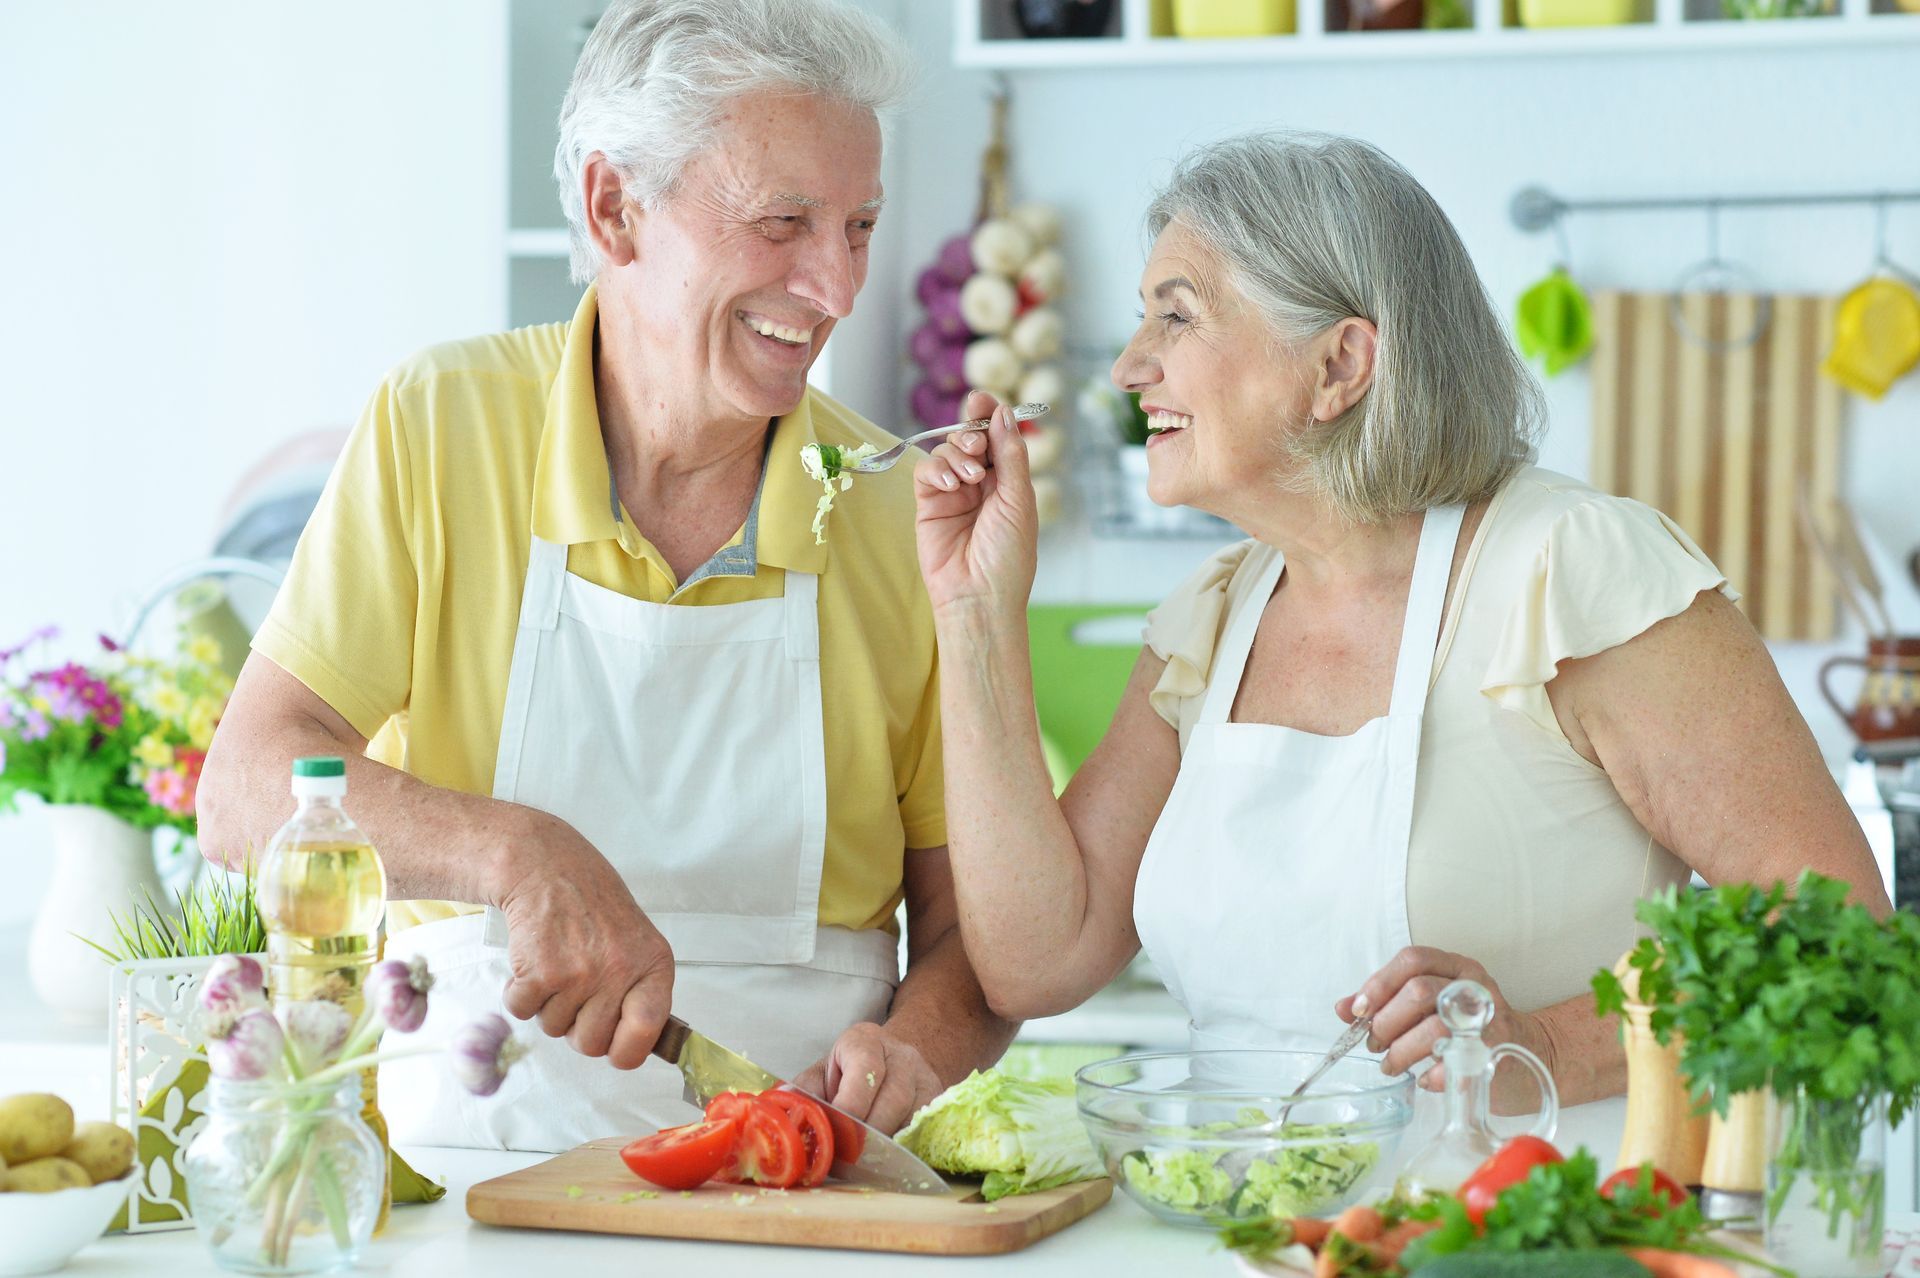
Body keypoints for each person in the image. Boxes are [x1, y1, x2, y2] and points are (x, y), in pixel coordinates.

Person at [913, 132, 1889, 1151]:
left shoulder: (1570, 571)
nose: (1129, 366)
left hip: (1544, 1227)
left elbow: (1840, 943)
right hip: (1251, 1234)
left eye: (1178, 314)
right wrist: (975, 612)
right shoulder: (1211, 618)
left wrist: (1548, 1047)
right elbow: (1037, 961)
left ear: (1339, 363)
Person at [196, 0, 1014, 1151]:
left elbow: (970, 930)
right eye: (785, 222)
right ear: (614, 208)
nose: (835, 286)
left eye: (860, 226)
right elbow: (244, 790)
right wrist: (516, 852)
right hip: (478, 1176)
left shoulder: (889, 507)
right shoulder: (443, 426)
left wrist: (919, 1045)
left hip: (805, 1190)